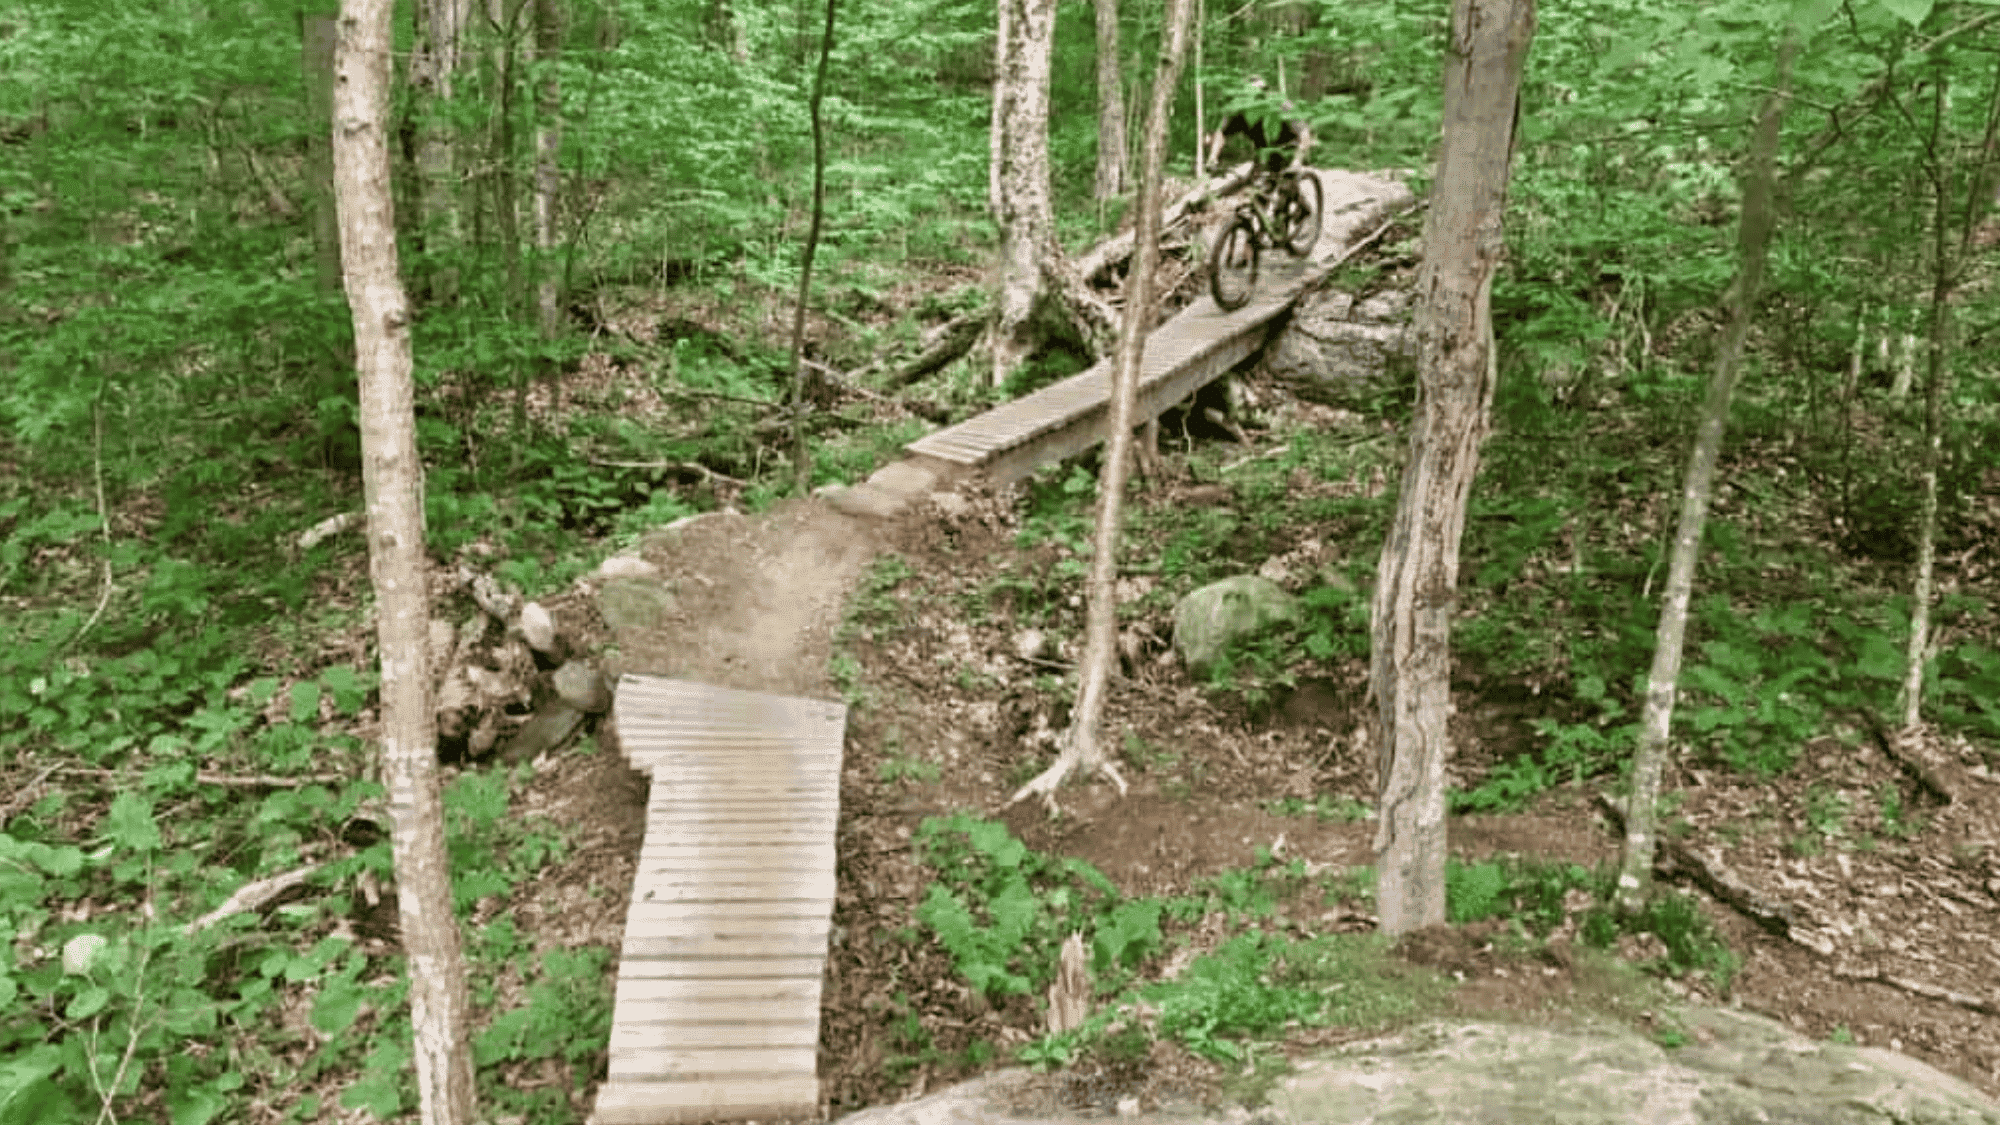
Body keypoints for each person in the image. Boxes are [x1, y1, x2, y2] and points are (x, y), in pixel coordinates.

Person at [1204, 76, 1312, 191]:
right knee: (1254, 185)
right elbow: (1221, 134)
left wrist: (1298, 159)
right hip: (1264, 152)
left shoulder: (1281, 106)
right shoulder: (1239, 113)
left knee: (1286, 187)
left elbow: (1304, 133)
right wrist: (1213, 157)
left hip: (1290, 147)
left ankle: (1303, 206)